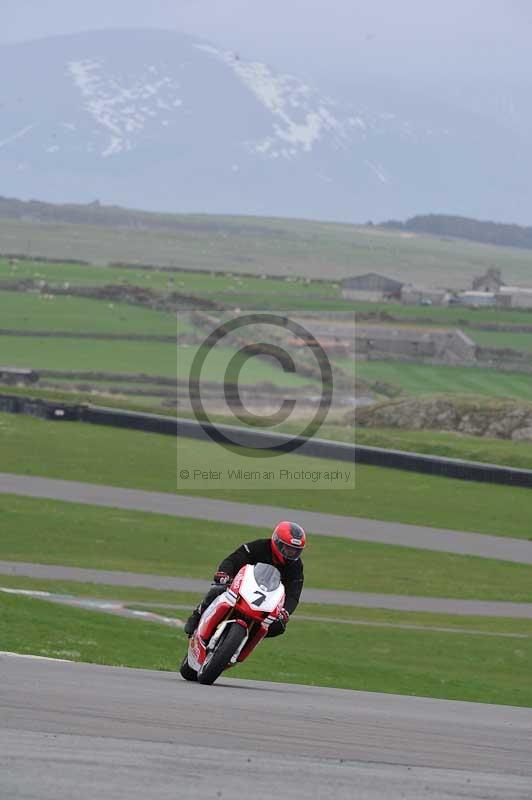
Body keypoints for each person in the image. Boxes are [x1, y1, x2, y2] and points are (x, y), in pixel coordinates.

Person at [184, 521, 306, 638]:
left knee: (278, 626)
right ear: (277, 542)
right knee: (218, 589)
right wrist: (224, 573)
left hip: (267, 601)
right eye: (288, 548)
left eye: (295, 550)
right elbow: (234, 559)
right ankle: (197, 615)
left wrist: (286, 611)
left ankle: (247, 638)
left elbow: (294, 594)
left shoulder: (296, 566)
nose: (291, 553)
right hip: (242, 587)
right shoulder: (260, 546)